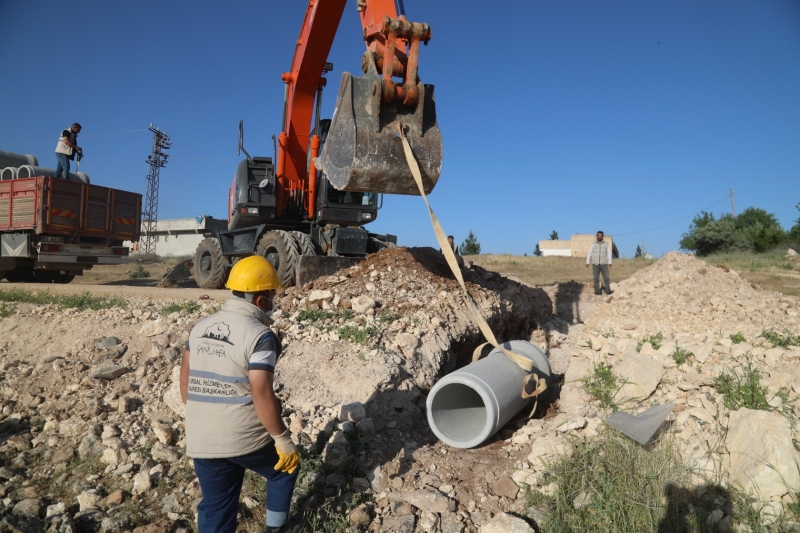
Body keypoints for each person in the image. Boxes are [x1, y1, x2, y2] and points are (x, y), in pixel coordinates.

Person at [180, 256, 303, 533]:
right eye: (272, 294)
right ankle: (276, 528)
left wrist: (197, 417)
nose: (274, 300)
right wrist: (282, 439)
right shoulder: (260, 336)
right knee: (284, 469)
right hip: (242, 436)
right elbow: (261, 391)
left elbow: (185, 377)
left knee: (217, 504)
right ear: (260, 300)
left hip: (202, 436)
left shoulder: (200, 327)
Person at [586, 230, 613, 295]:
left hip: (604, 263)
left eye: (601, 235)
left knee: (606, 278)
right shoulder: (593, 244)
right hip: (595, 264)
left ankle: (608, 291)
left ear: (603, 236)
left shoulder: (606, 244)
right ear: (596, 236)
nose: (600, 237)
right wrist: (587, 261)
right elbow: (589, 253)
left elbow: (609, 253)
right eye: (598, 235)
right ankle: (597, 291)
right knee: (596, 278)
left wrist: (610, 262)